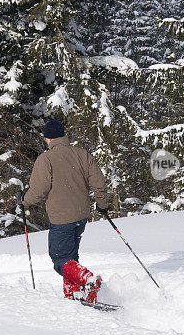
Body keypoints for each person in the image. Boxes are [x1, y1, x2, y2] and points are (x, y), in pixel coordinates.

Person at [16, 119, 112, 303]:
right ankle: (73, 295)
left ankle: (88, 279)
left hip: (61, 217)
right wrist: (102, 205)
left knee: (60, 259)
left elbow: (38, 190)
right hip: (81, 215)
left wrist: (23, 201)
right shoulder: (82, 154)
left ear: (48, 139)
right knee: (70, 258)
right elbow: (99, 183)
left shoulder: (46, 159)